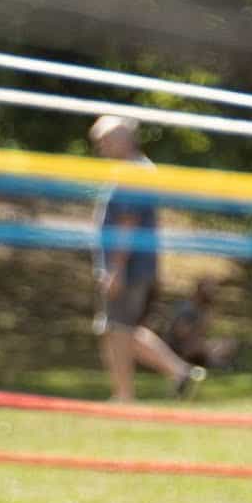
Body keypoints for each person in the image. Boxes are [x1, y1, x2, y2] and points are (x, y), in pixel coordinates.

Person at [87, 116, 197, 403]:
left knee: (118, 330)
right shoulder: (133, 170)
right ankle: (179, 372)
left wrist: (115, 268)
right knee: (119, 329)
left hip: (129, 267)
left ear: (126, 138)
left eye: (106, 139)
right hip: (133, 266)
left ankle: (125, 396)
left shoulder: (133, 172)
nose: (101, 146)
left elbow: (127, 222)